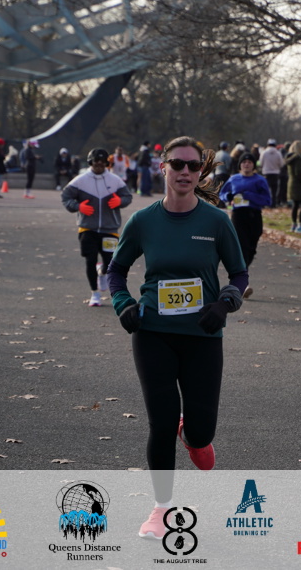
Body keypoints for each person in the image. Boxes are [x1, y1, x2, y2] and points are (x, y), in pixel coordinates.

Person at [106, 136, 247, 538]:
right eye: (177, 164)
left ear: (200, 172)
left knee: (202, 430)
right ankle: (161, 509)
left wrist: (225, 303)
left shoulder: (216, 221)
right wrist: (123, 304)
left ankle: (194, 435)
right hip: (153, 333)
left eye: (193, 166)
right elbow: (116, 271)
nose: (185, 172)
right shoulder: (143, 221)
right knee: (161, 423)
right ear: (162, 167)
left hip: (203, 335)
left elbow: (239, 274)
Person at [62, 148, 134, 307]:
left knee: (110, 263)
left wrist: (120, 202)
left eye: (102, 162)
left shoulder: (115, 180)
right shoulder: (80, 180)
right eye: (96, 161)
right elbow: (66, 197)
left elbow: (127, 196)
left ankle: (102, 273)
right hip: (87, 228)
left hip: (110, 229)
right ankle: (94, 293)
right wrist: (78, 206)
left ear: (107, 163)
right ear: (90, 162)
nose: (99, 164)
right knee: (90, 260)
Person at [219, 151, 272, 298]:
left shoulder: (260, 180)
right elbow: (222, 194)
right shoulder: (234, 179)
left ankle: (241, 276)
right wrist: (228, 196)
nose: (246, 164)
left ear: (254, 165)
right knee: (242, 247)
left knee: (251, 249)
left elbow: (267, 200)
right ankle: (243, 283)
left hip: (254, 215)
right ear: (239, 165)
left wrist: (249, 195)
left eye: (249, 162)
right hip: (238, 215)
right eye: (243, 162)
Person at [285, 140, 301, 232]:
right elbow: (298, 173)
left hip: (291, 183)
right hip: (299, 185)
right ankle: (300, 224)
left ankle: (294, 224)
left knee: (295, 205)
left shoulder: (290, 158)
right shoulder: (298, 158)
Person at [257, 139, 284, 208]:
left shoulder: (264, 153)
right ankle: (273, 204)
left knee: (266, 189)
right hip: (275, 173)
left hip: (266, 173)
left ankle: (265, 203)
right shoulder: (278, 153)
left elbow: (260, 163)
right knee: (274, 190)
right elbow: (281, 164)